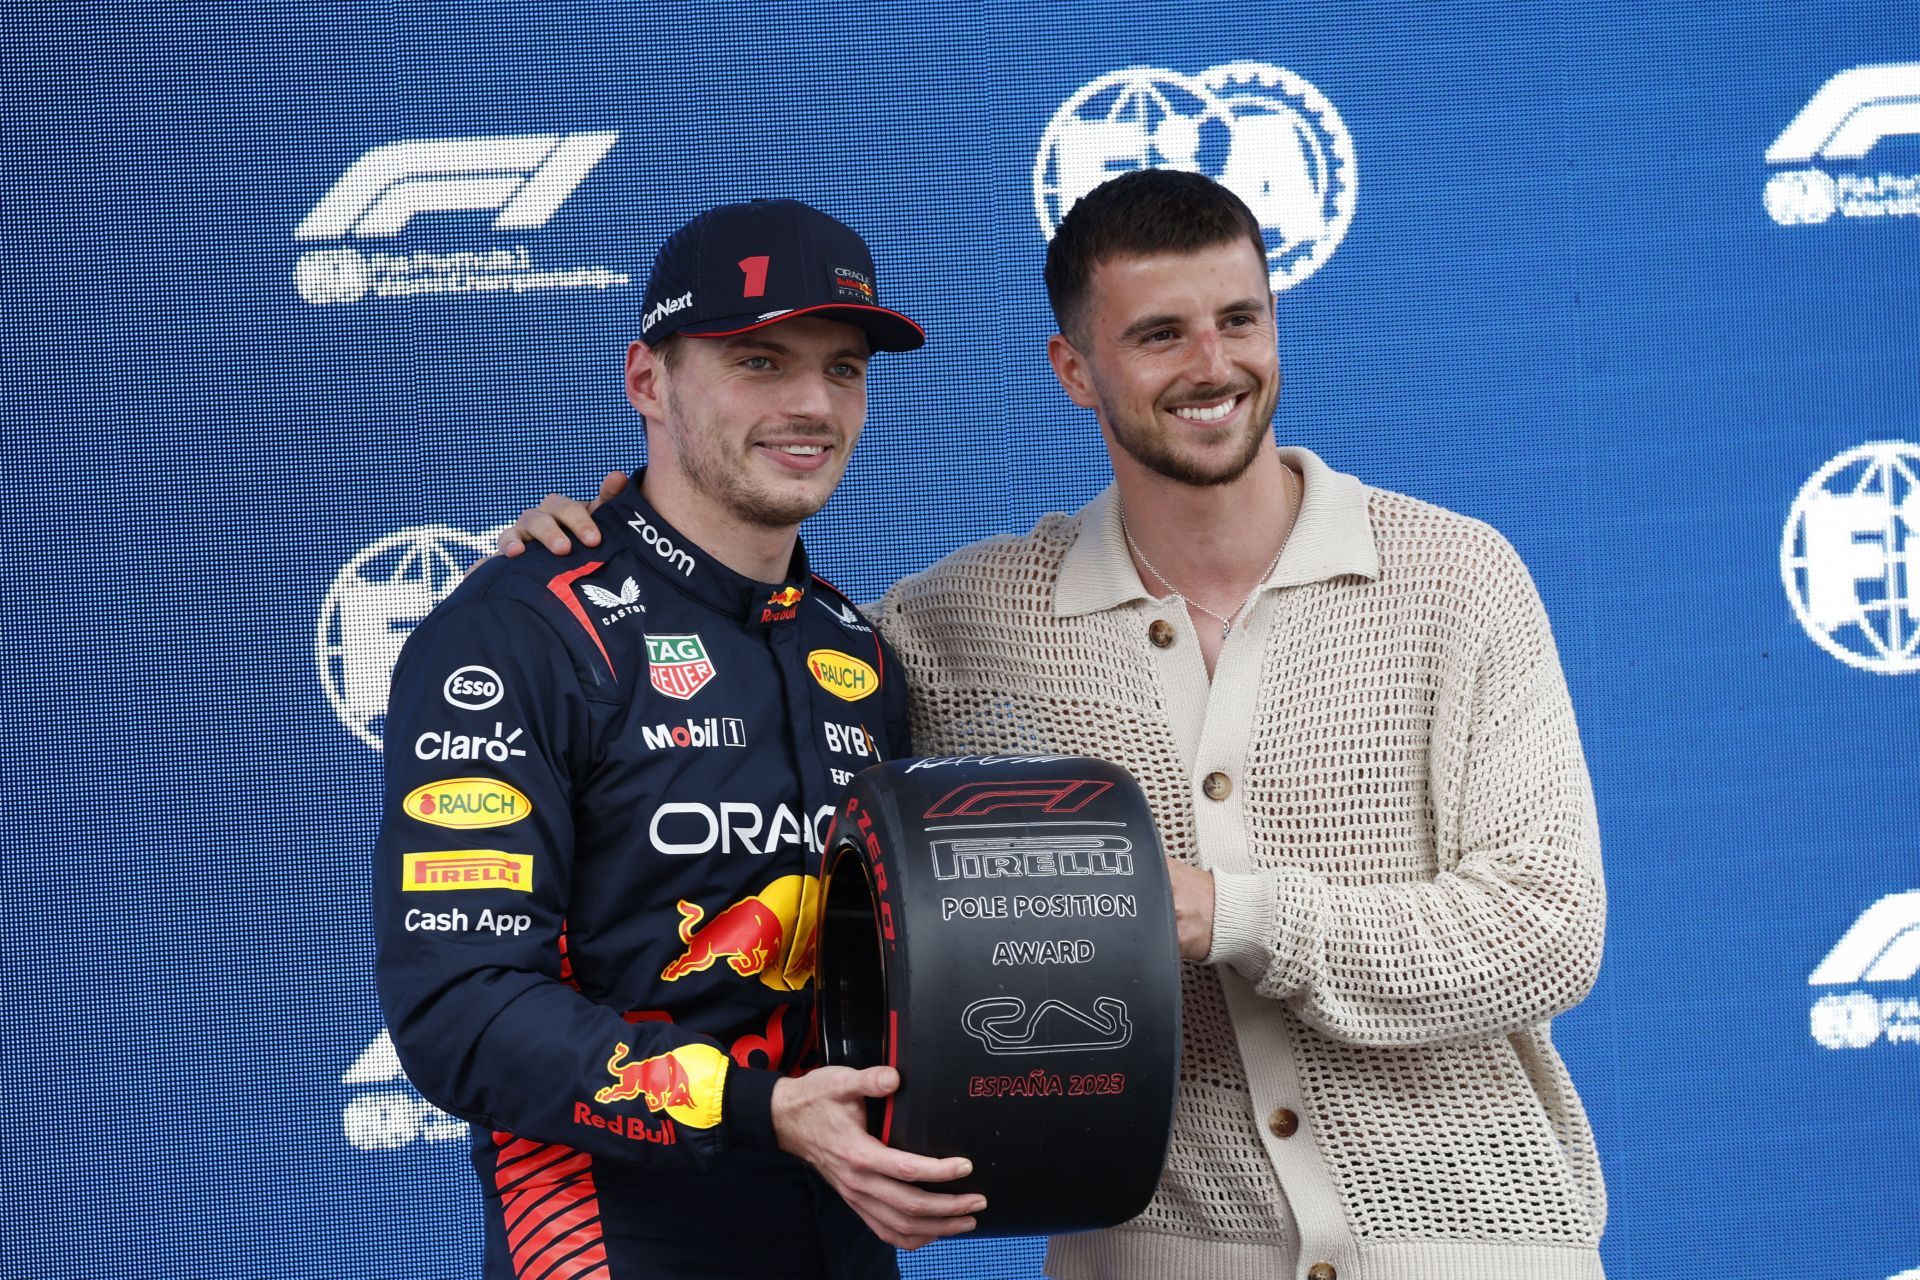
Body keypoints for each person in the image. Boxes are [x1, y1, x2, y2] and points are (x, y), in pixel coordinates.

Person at [505, 170, 1608, 1280]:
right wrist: (615, 553)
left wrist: (1228, 912)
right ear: (1074, 369)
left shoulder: (1453, 576)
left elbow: (1549, 930)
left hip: (1480, 1242)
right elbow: (765, 665)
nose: (1213, 365)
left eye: (1239, 320)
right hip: (1156, 1254)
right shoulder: (963, 619)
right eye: (1160, 334)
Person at [376, 197, 983, 1280]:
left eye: (843, 367)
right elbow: (459, 1007)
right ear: (647, 380)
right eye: (759, 360)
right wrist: (760, 1106)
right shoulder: (517, 631)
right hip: (610, 1222)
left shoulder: (858, 646)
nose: (813, 404)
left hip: (841, 1222)